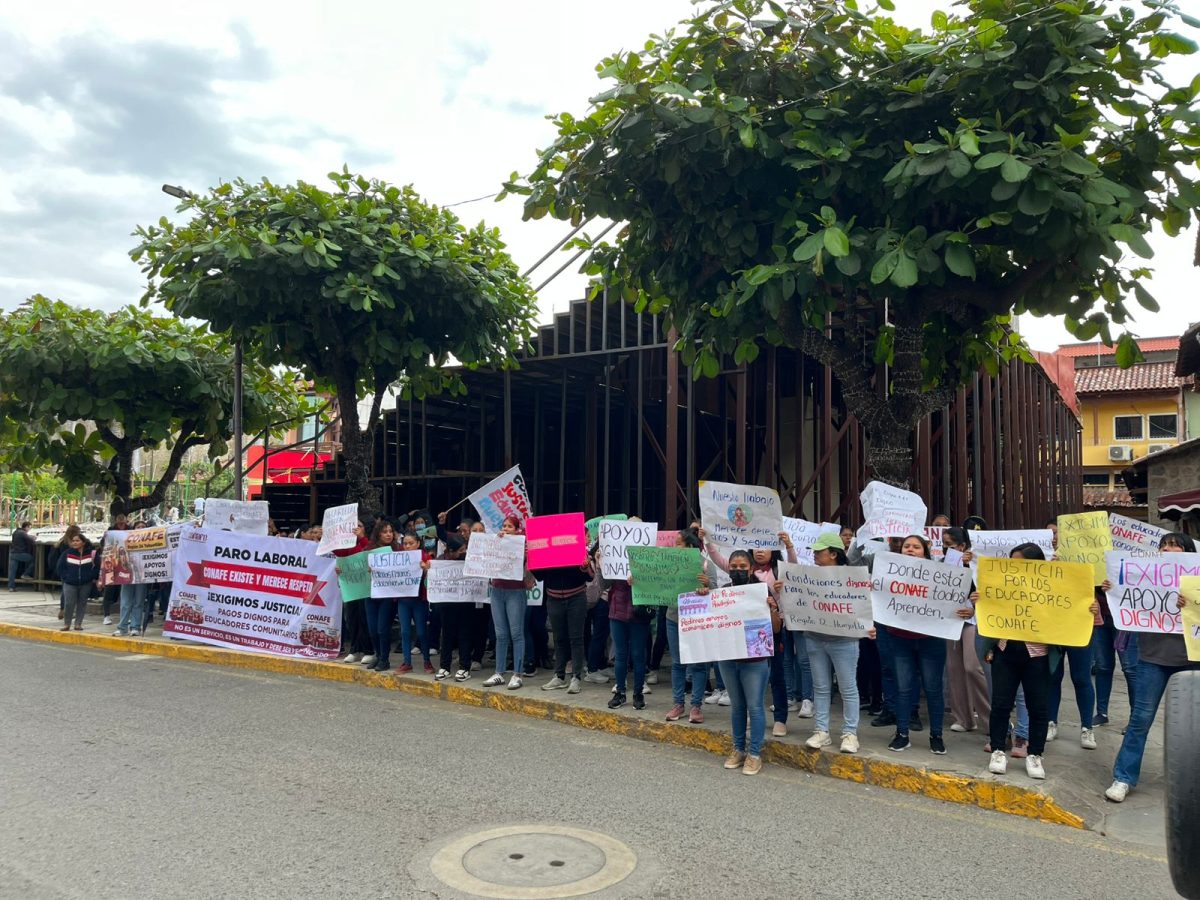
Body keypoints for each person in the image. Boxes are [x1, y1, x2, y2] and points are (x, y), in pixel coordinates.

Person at [979, 543, 1098, 781]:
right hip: (1005, 650)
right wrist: (980, 600)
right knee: (1001, 703)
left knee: (1038, 707)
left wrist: (1090, 609)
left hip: (1038, 656)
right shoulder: (1002, 583)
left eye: (1020, 563)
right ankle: (998, 750)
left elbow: (1071, 608)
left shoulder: (1051, 588)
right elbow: (990, 605)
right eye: (1012, 563)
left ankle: (1035, 754)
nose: (1014, 568)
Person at [1105, 532, 1200, 802]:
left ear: (1189, 552)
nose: (1168, 549)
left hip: (1193, 660)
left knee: (1194, 724)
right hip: (1153, 658)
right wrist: (1113, 590)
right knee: (1140, 719)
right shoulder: (1145, 573)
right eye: (1164, 545)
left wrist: (1191, 602)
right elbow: (1126, 601)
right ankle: (1123, 777)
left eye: (1175, 545)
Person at [803, 532, 868, 755]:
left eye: (819, 552)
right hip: (814, 637)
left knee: (848, 688)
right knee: (820, 688)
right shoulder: (806, 577)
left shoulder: (852, 577)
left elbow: (862, 605)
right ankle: (821, 731)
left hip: (844, 641)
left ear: (833, 554)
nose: (814, 555)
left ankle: (850, 734)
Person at [887, 535, 949, 754]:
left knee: (933, 689)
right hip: (900, 638)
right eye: (906, 546)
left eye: (916, 547)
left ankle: (936, 735)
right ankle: (902, 734)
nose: (910, 550)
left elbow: (953, 597)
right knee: (903, 689)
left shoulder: (939, 573)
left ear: (925, 550)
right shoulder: (889, 571)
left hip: (931, 640)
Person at [718, 550, 776, 775]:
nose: (738, 570)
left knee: (755, 706)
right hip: (729, 658)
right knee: (737, 707)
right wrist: (703, 596)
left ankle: (754, 754)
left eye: (743, 567)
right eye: (734, 566)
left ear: (751, 569)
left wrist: (771, 608)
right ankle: (738, 749)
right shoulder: (722, 592)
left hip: (754, 658)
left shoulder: (761, 591)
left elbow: (776, 628)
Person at [664, 528, 718, 723]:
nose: (674, 547)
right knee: (677, 663)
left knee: (698, 663)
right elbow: (658, 585)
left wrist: (707, 586)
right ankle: (678, 704)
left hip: (696, 621)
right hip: (673, 617)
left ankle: (696, 706)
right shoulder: (669, 565)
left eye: (678, 543)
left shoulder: (706, 565)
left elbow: (716, 593)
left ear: (690, 546)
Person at [942, 527, 990, 735]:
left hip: (974, 620)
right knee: (955, 669)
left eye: (949, 545)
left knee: (972, 667)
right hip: (952, 620)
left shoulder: (979, 565)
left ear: (962, 546)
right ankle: (963, 718)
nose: (945, 549)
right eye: (943, 545)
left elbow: (988, 593)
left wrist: (973, 608)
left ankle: (991, 719)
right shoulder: (945, 564)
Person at [534, 547, 593, 694]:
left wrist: (585, 567)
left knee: (576, 638)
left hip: (576, 598)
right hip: (554, 599)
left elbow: (590, 576)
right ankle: (559, 676)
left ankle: (576, 678)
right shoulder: (545, 547)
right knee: (559, 638)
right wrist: (532, 558)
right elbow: (540, 576)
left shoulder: (576, 544)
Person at [483, 515, 532, 690]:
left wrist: (524, 552)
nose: (505, 529)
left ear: (517, 529)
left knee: (516, 633)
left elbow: (529, 567)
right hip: (497, 590)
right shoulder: (496, 542)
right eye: (504, 526)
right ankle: (499, 672)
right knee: (501, 634)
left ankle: (517, 674)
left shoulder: (521, 545)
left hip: (515, 592)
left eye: (510, 526)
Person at [334, 519, 374, 665]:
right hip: (351, 587)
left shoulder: (367, 542)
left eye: (359, 526)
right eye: (353, 526)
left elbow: (369, 552)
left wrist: (362, 538)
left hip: (365, 588)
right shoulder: (348, 545)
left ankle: (368, 650)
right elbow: (339, 555)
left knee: (364, 619)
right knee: (351, 618)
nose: (356, 528)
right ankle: (355, 649)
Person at [56, 532, 97, 631]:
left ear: (83, 542)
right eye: (73, 541)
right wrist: (66, 577)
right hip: (70, 583)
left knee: (82, 603)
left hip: (85, 583)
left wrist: (90, 577)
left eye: (77, 541)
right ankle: (67, 624)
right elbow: (60, 567)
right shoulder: (67, 553)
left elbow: (96, 567)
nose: (75, 543)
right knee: (69, 603)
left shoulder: (91, 554)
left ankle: (78, 624)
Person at [8, 521, 36, 592]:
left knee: (12, 572)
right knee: (33, 560)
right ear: (26, 527)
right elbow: (31, 541)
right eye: (29, 527)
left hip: (12, 553)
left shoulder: (15, 532)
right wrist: (34, 537)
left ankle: (11, 587)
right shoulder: (23, 533)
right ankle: (26, 574)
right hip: (19, 553)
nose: (29, 529)